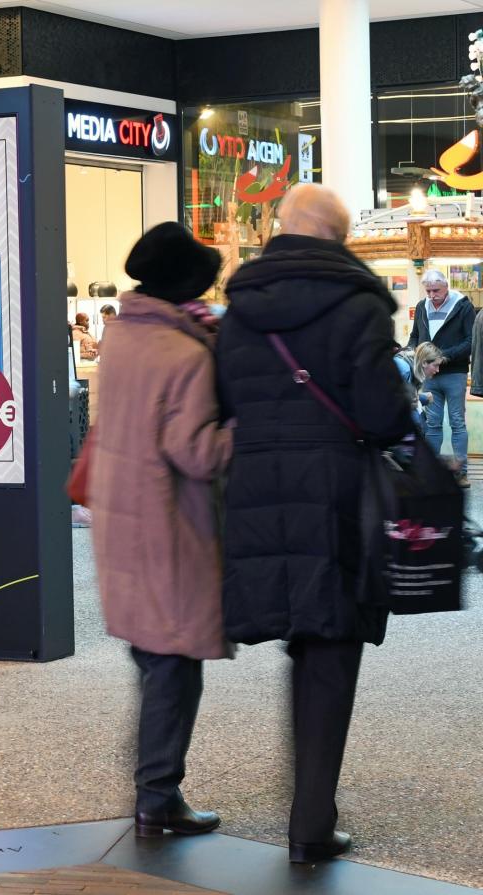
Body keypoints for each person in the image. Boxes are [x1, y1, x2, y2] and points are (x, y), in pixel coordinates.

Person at [216, 185, 414, 863]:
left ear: (279, 228)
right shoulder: (358, 305)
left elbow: (223, 401)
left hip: (257, 489)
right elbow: (385, 416)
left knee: (303, 640)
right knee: (332, 650)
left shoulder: (237, 309)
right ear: (338, 238)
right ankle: (309, 822)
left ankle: (308, 801)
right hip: (333, 489)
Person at [89, 223, 232, 839]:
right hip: (166, 529)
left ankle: (154, 787)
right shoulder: (185, 354)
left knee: (154, 661)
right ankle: (158, 797)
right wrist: (247, 431)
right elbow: (197, 453)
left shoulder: (120, 338)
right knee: (174, 666)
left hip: (122, 521)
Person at [407, 268, 474, 486]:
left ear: (446, 287)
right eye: (428, 291)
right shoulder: (421, 306)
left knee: (457, 422)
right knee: (432, 424)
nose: (432, 295)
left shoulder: (463, 306)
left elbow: (470, 341)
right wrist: (410, 353)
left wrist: (442, 357)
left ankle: (461, 472)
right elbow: (415, 336)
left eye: (436, 290)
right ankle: (432, 471)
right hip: (428, 375)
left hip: (454, 372)